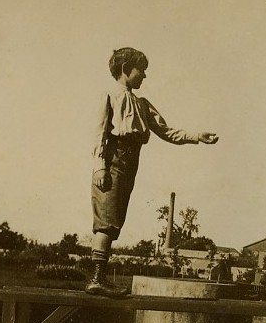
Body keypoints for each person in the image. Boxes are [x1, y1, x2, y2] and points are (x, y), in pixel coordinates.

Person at [88, 47, 219, 297]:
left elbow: (166, 131)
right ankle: (96, 278)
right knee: (106, 218)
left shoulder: (142, 104)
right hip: (112, 159)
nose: (145, 76)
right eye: (142, 71)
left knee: (115, 220)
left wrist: (197, 136)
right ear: (126, 69)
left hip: (130, 162)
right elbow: (99, 134)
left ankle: (99, 278)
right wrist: (100, 167)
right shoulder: (109, 95)